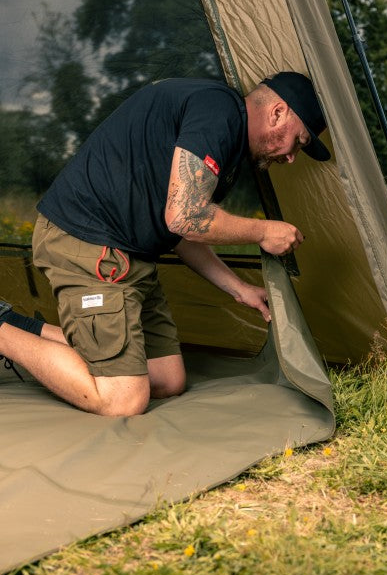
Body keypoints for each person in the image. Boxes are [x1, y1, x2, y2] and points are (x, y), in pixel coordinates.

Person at [0, 71, 329, 416]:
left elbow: (181, 231)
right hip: (87, 241)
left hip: (131, 255)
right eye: (300, 141)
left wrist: (238, 289)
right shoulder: (219, 112)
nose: (293, 156)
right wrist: (263, 232)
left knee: (167, 380)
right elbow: (186, 216)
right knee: (123, 400)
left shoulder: (225, 134)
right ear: (278, 112)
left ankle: (26, 328)